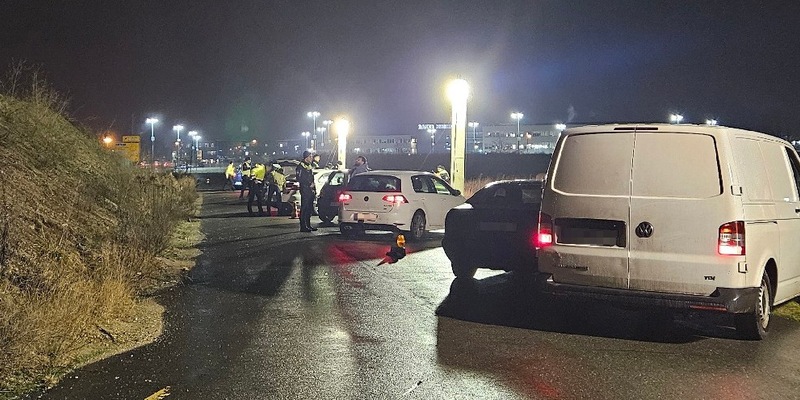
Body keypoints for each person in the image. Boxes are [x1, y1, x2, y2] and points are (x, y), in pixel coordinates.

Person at [296, 150, 317, 232]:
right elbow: (300, 178)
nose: (312, 158)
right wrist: (309, 184)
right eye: (310, 157)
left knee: (309, 208)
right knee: (304, 208)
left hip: (310, 190)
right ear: (306, 157)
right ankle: (303, 226)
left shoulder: (309, 166)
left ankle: (308, 225)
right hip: (305, 189)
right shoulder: (301, 167)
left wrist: (313, 188)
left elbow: (312, 178)